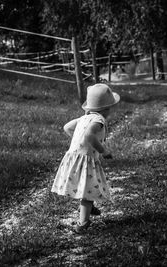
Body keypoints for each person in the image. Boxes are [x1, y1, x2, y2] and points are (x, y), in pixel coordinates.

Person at [51, 83, 120, 233]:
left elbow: (67, 127)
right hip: (86, 159)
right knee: (87, 192)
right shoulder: (99, 121)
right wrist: (103, 151)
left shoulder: (84, 118)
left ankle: (89, 207)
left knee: (87, 187)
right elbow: (89, 135)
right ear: (106, 108)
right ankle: (83, 223)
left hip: (73, 156)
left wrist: (78, 141)